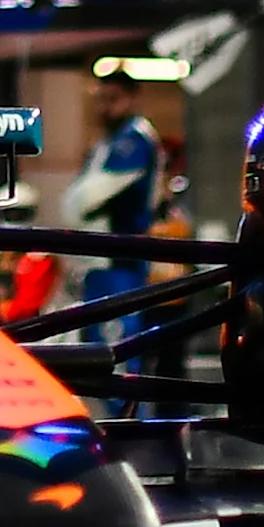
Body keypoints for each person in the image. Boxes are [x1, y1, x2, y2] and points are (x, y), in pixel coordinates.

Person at [61, 72, 163, 337]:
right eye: (101, 99)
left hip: (121, 258)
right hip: (102, 259)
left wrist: (74, 205)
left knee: (115, 342)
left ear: (130, 98)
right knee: (97, 340)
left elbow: (87, 198)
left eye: (113, 99)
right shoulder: (107, 142)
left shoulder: (134, 140)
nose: (105, 107)